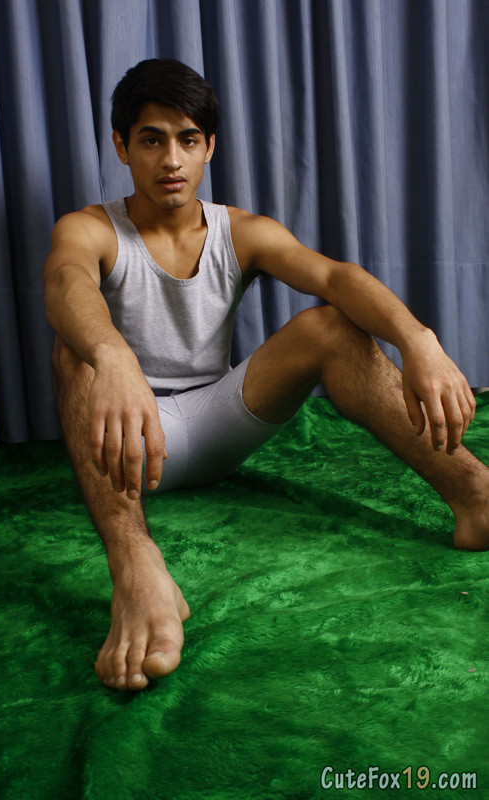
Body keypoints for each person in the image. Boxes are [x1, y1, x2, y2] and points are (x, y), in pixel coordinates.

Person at [44, 58, 489, 693]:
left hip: (217, 424)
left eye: (188, 140)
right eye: (151, 139)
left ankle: (476, 496)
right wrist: (112, 356)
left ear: (209, 147)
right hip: (127, 447)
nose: (171, 160)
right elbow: (67, 283)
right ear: (122, 146)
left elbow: (334, 276)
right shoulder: (90, 228)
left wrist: (419, 340)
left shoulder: (242, 231)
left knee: (330, 326)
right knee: (74, 350)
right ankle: (137, 570)